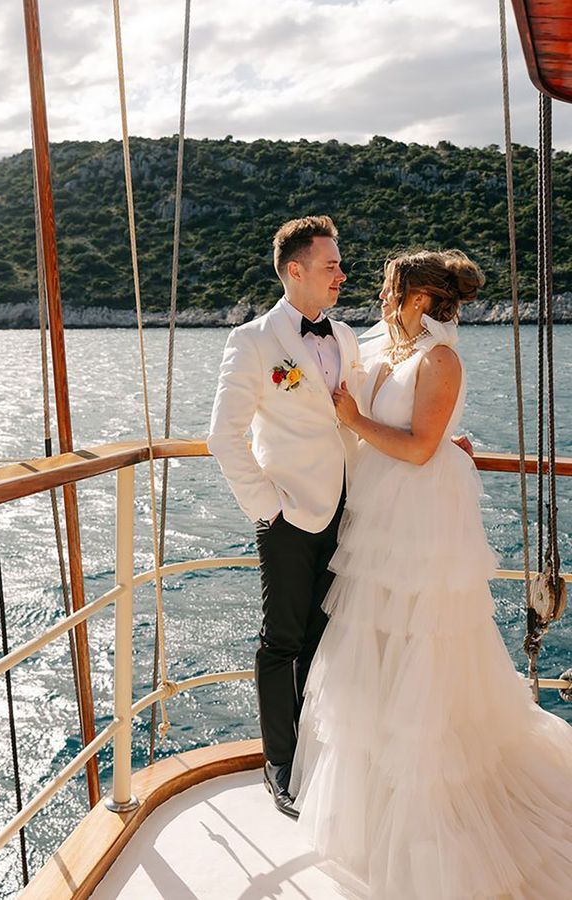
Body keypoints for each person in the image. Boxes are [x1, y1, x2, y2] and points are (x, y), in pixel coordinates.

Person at [289, 248, 572, 899]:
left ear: (417, 298)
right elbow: (416, 430)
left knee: (424, 657)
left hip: (420, 526)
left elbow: (418, 449)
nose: (382, 300)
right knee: (379, 652)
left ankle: (427, 814)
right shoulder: (392, 352)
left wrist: (361, 422)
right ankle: (380, 799)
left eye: (391, 290)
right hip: (382, 525)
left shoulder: (441, 357)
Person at [208, 215, 361, 818]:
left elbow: (363, 413)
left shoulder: (345, 337)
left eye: (340, 265)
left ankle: (320, 755)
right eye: (330, 266)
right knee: (283, 642)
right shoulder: (252, 341)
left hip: (348, 514)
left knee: (328, 638)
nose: (341, 275)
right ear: (294, 271)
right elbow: (224, 437)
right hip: (288, 516)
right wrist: (269, 510)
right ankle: (280, 762)